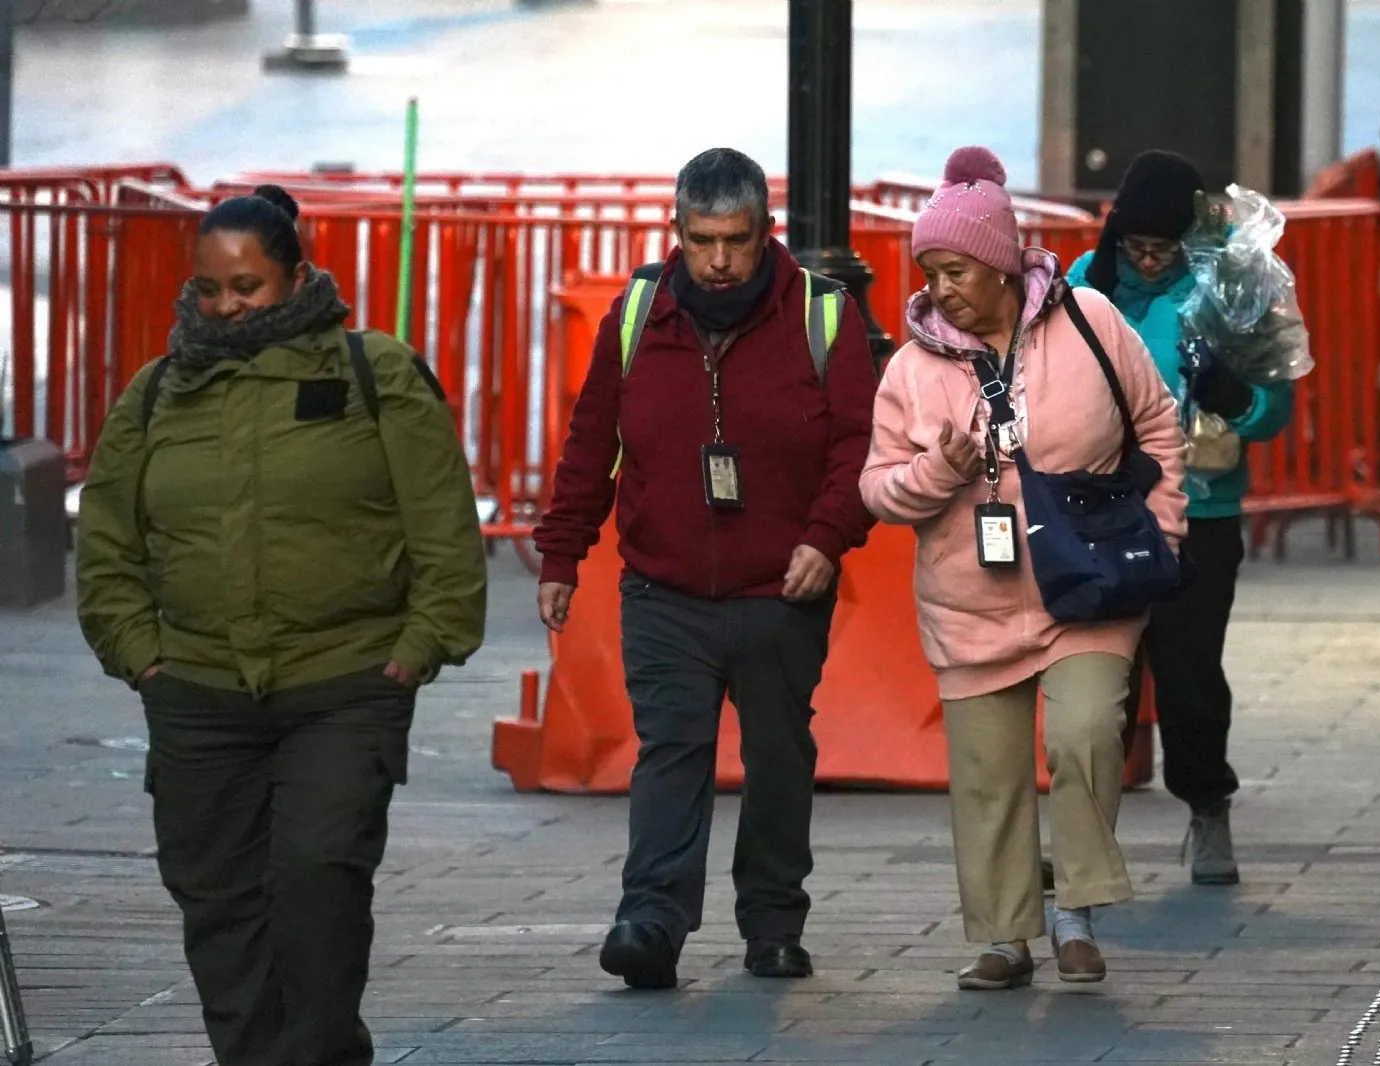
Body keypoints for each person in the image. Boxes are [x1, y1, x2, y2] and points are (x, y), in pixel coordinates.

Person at [76, 185, 488, 1066]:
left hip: (345, 685)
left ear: (295, 276)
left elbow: (445, 529)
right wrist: (142, 659)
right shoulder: (157, 392)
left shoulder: (371, 370)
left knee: (318, 882)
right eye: (211, 288)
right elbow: (106, 543)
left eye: (248, 286)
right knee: (216, 899)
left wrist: (417, 651)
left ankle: (323, 1054)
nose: (226, 304)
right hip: (195, 692)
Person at [533, 148, 879, 990]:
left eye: (736, 240)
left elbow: (859, 448)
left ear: (768, 233)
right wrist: (562, 552)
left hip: (782, 590)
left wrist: (825, 540)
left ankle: (771, 924)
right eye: (701, 241)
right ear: (677, 234)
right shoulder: (639, 314)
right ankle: (650, 919)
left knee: (778, 755)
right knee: (671, 752)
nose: (719, 261)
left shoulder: (822, 318)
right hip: (663, 587)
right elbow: (593, 442)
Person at [860, 147, 1187, 990]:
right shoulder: (911, 367)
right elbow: (876, 489)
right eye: (929, 272)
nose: (942, 289)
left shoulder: (1091, 323)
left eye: (957, 269)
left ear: (1003, 266)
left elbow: (1157, 425)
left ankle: (1074, 911)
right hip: (970, 602)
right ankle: (1005, 939)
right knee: (989, 777)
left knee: (1084, 731)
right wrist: (938, 471)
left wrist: (1166, 532)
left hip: (1090, 586)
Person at [1067, 150, 1296, 885]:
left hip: (1201, 511)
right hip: (1106, 512)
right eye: (1136, 247)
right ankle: (1086, 833)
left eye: (1162, 249)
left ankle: (1207, 809)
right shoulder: (1083, 284)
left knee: (1190, 674)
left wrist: (1234, 396)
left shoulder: (1232, 285)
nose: (1149, 261)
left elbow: (1273, 415)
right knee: (1098, 680)